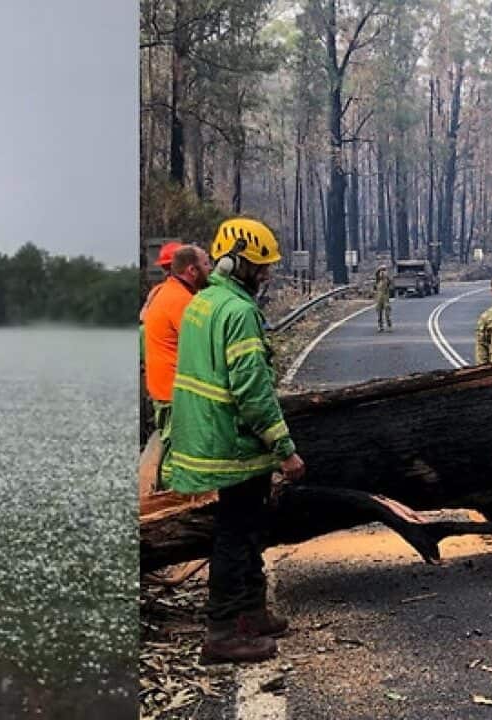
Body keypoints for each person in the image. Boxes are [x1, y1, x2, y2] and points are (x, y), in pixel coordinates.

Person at [161, 217, 306, 664]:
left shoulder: (204, 301)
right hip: (233, 443)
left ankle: (251, 610)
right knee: (236, 533)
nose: (265, 275)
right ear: (235, 263)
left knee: (245, 527)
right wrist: (286, 450)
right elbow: (252, 392)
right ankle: (223, 631)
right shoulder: (239, 313)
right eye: (259, 267)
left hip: (209, 436)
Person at [143, 243, 211, 439]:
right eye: (206, 264)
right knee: (182, 450)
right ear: (191, 270)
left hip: (166, 389)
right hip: (176, 395)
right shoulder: (181, 300)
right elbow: (204, 345)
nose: (211, 269)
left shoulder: (163, 293)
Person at [373, 264, 393, 332]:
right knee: (379, 313)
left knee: (387, 313)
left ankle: (389, 325)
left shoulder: (386, 280)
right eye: (381, 270)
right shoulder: (377, 281)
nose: (382, 272)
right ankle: (380, 326)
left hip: (385, 298)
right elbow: (375, 289)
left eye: (384, 270)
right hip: (379, 298)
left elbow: (390, 284)